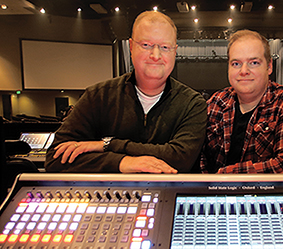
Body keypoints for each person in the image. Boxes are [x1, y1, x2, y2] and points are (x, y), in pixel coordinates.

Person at [45, 11, 207, 173]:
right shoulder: (97, 96)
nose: (156, 55)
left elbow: (180, 159)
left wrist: (108, 145)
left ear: (174, 51)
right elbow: (56, 158)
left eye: (165, 47)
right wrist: (122, 162)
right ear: (131, 46)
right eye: (146, 45)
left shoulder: (192, 103)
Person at [200, 29, 283, 174]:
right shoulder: (216, 103)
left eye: (253, 62)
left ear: (269, 66)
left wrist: (225, 177)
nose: (244, 71)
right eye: (236, 64)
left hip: (265, 195)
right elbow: (199, 155)